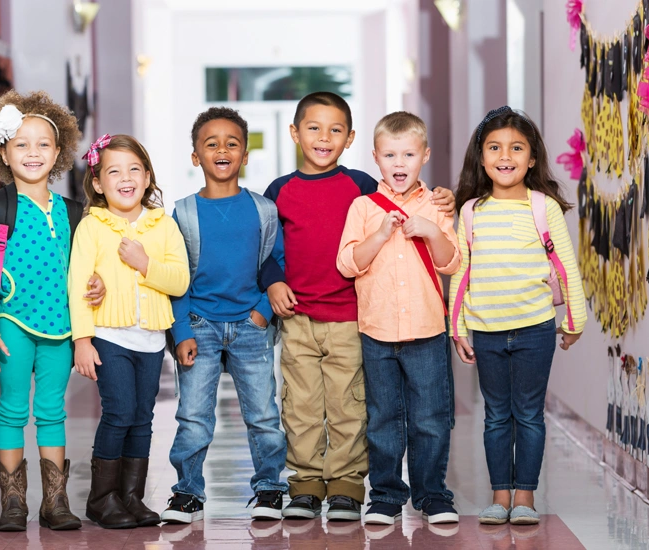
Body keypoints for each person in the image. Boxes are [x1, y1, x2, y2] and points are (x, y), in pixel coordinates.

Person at [260, 92, 456, 520]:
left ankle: (348, 484)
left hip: (353, 317)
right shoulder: (279, 191)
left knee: (351, 405)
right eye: (313, 128)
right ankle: (307, 483)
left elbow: (405, 196)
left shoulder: (364, 187)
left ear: (349, 139)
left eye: (335, 130)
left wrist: (444, 199)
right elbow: (263, 250)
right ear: (295, 133)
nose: (323, 137)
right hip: (299, 317)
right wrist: (272, 283)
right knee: (302, 405)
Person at [449, 106, 586, 525]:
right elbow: (462, 271)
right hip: (487, 331)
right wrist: (457, 328)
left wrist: (575, 321)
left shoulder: (543, 207)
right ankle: (499, 495)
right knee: (495, 416)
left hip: (534, 330)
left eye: (516, 147)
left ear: (531, 158)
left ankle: (524, 497)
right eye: (494, 147)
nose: (504, 155)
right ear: (481, 156)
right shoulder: (472, 210)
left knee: (527, 413)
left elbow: (567, 265)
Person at [0, 90, 103, 531]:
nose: (33, 153)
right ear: (4, 153)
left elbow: (85, 269)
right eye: (22, 144)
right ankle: (13, 501)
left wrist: (97, 284)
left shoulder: (73, 212)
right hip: (12, 322)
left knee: (51, 411)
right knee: (12, 409)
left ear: (60, 151)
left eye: (43, 144)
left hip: (61, 328)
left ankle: (55, 500)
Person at [163, 107, 288, 524]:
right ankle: (187, 492)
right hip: (199, 323)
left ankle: (270, 486)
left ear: (245, 154)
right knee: (194, 417)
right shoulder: (182, 214)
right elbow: (176, 278)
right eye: (211, 143)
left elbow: (277, 263)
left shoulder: (264, 210)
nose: (222, 149)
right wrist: (181, 330)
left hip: (250, 326)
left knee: (264, 415)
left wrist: (263, 313)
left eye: (232, 143)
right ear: (196, 156)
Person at [337, 111, 461, 526]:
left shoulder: (437, 205)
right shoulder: (363, 207)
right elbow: (347, 263)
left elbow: (451, 262)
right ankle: (386, 495)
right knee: (383, 417)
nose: (399, 163)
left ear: (424, 155)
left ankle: (432, 494)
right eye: (390, 154)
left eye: (409, 153)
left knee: (430, 418)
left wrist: (431, 230)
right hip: (377, 331)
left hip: (427, 330)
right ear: (376, 157)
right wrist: (378, 234)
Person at [69, 134, 188, 529]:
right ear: (98, 182)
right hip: (109, 336)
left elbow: (179, 281)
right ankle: (101, 499)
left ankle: (131, 496)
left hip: (151, 338)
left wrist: (143, 262)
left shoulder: (163, 225)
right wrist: (82, 340)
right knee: (119, 413)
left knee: (142, 417)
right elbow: (79, 284)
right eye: (114, 170)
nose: (126, 177)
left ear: (148, 176)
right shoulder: (92, 226)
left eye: (135, 169)